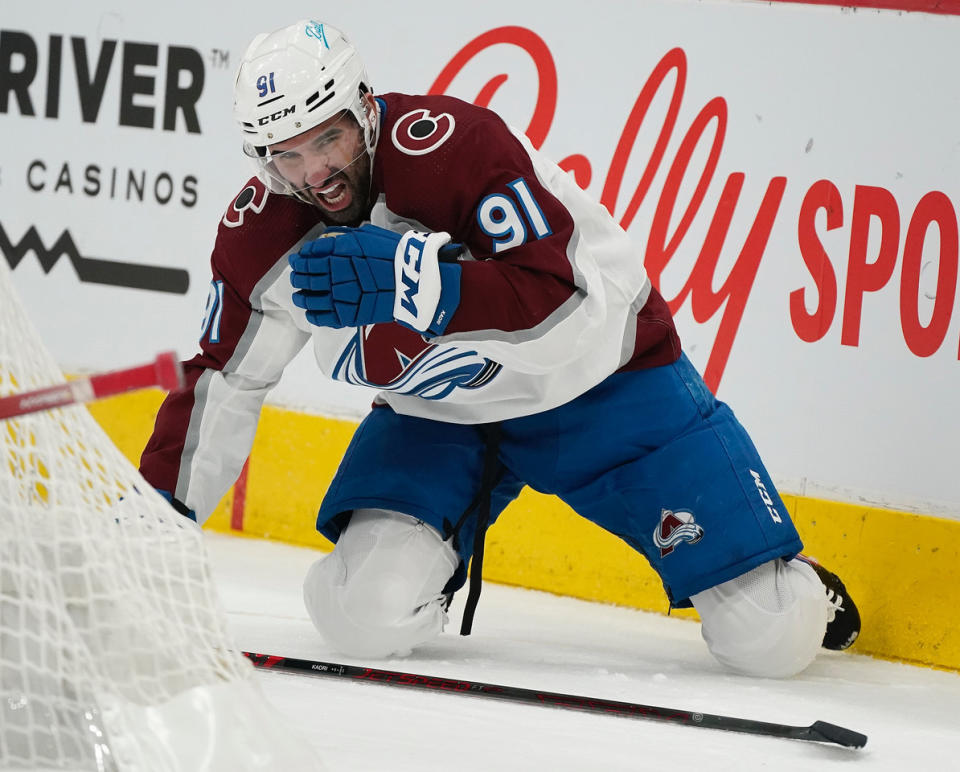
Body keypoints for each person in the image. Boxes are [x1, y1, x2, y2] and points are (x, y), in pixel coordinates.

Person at [139, 19, 860, 676]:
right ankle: (430, 559)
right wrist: (153, 534)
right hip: (446, 418)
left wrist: (420, 286)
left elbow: (564, 302)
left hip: (606, 384)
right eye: (286, 155)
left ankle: (796, 582)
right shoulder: (265, 229)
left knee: (771, 638)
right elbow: (223, 379)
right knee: (357, 614)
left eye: (328, 139)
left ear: (363, 107)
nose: (314, 174)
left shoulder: (457, 150)